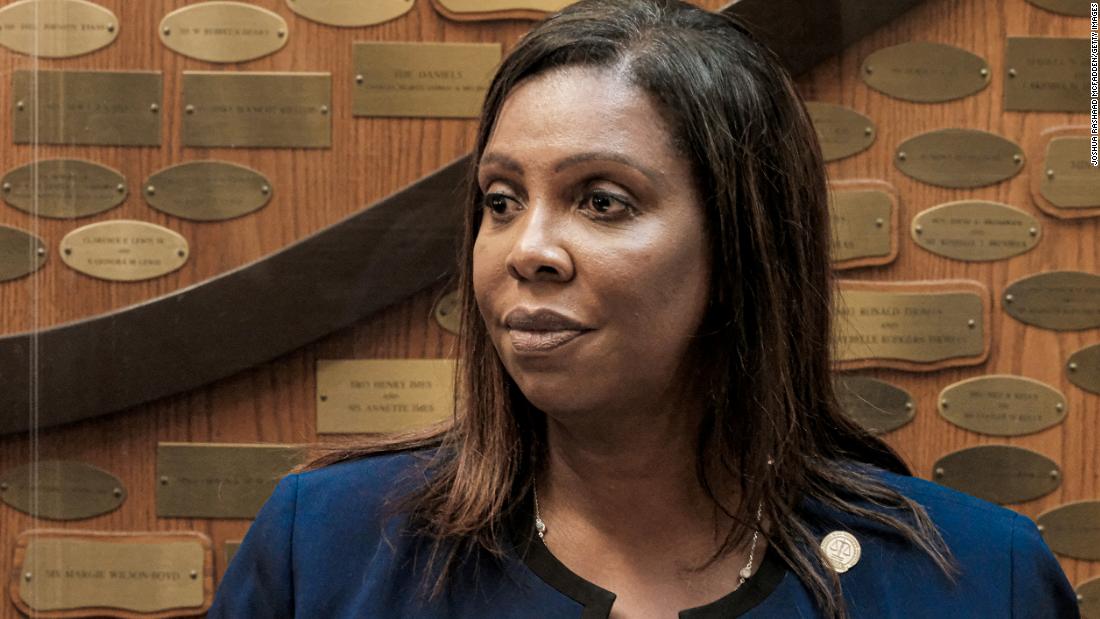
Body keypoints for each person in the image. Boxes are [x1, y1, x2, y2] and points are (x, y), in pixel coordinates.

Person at [207, 1, 1079, 617]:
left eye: (602, 201)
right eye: (501, 200)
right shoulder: (328, 546)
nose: (526, 249)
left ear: (741, 246)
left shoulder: (975, 580)